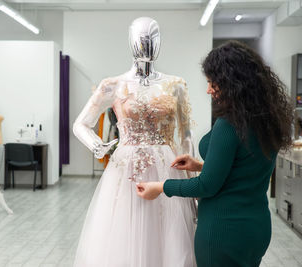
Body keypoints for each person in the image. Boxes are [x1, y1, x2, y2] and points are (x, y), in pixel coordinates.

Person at [136, 40, 294, 267]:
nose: (209, 89)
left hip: (223, 232)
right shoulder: (268, 121)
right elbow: (245, 167)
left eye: (212, 83)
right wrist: (200, 165)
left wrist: (160, 187)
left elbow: (206, 186)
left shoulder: (229, 125)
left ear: (234, 83)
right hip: (257, 228)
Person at [72, 17, 197, 266]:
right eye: (141, 39)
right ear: (131, 41)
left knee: (167, 232)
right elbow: (80, 124)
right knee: (123, 228)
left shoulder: (176, 85)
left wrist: (193, 188)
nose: (147, 45)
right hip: (126, 169)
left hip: (167, 168)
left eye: (153, 38)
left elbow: (185, 137)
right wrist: (97, 145)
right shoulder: (113, 85)